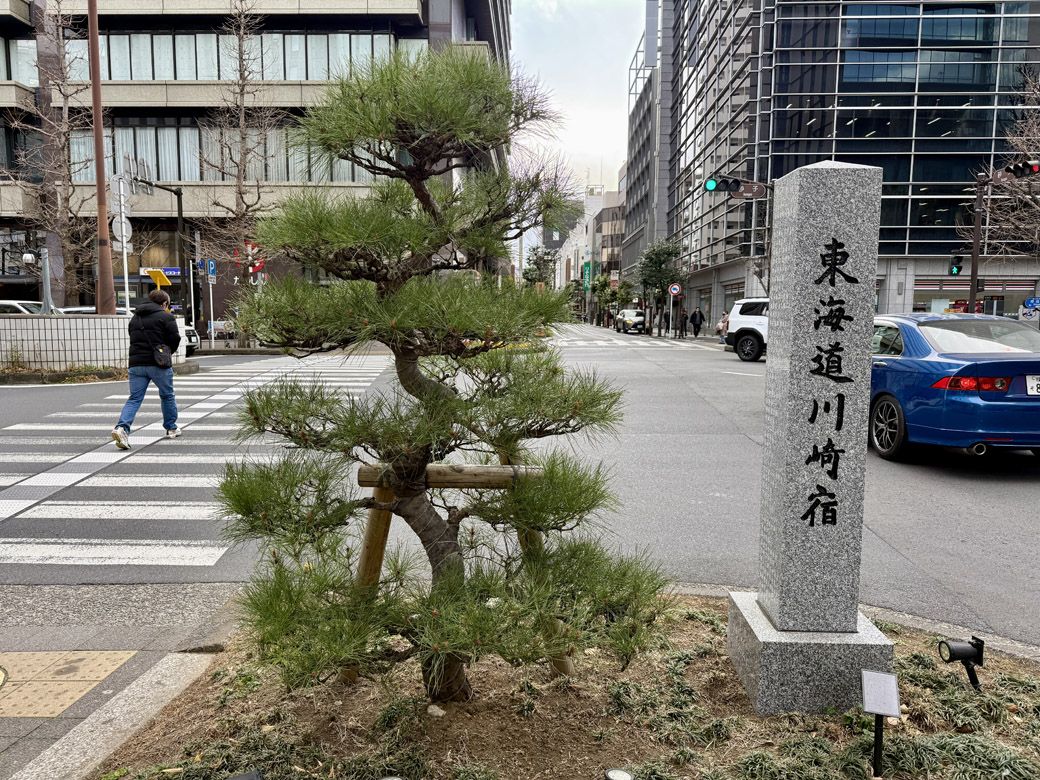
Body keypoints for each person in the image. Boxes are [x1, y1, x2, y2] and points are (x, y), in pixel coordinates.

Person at [112, 289, 181, 449]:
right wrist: (167, 352)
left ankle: (122, 428)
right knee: (167, 395)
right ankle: (171, 428)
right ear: (164, 303)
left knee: (134, 398)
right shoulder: (166, 317)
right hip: (158, 364)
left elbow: (132, 336)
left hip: (136, 364)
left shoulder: (135, 318)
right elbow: (175, 338)